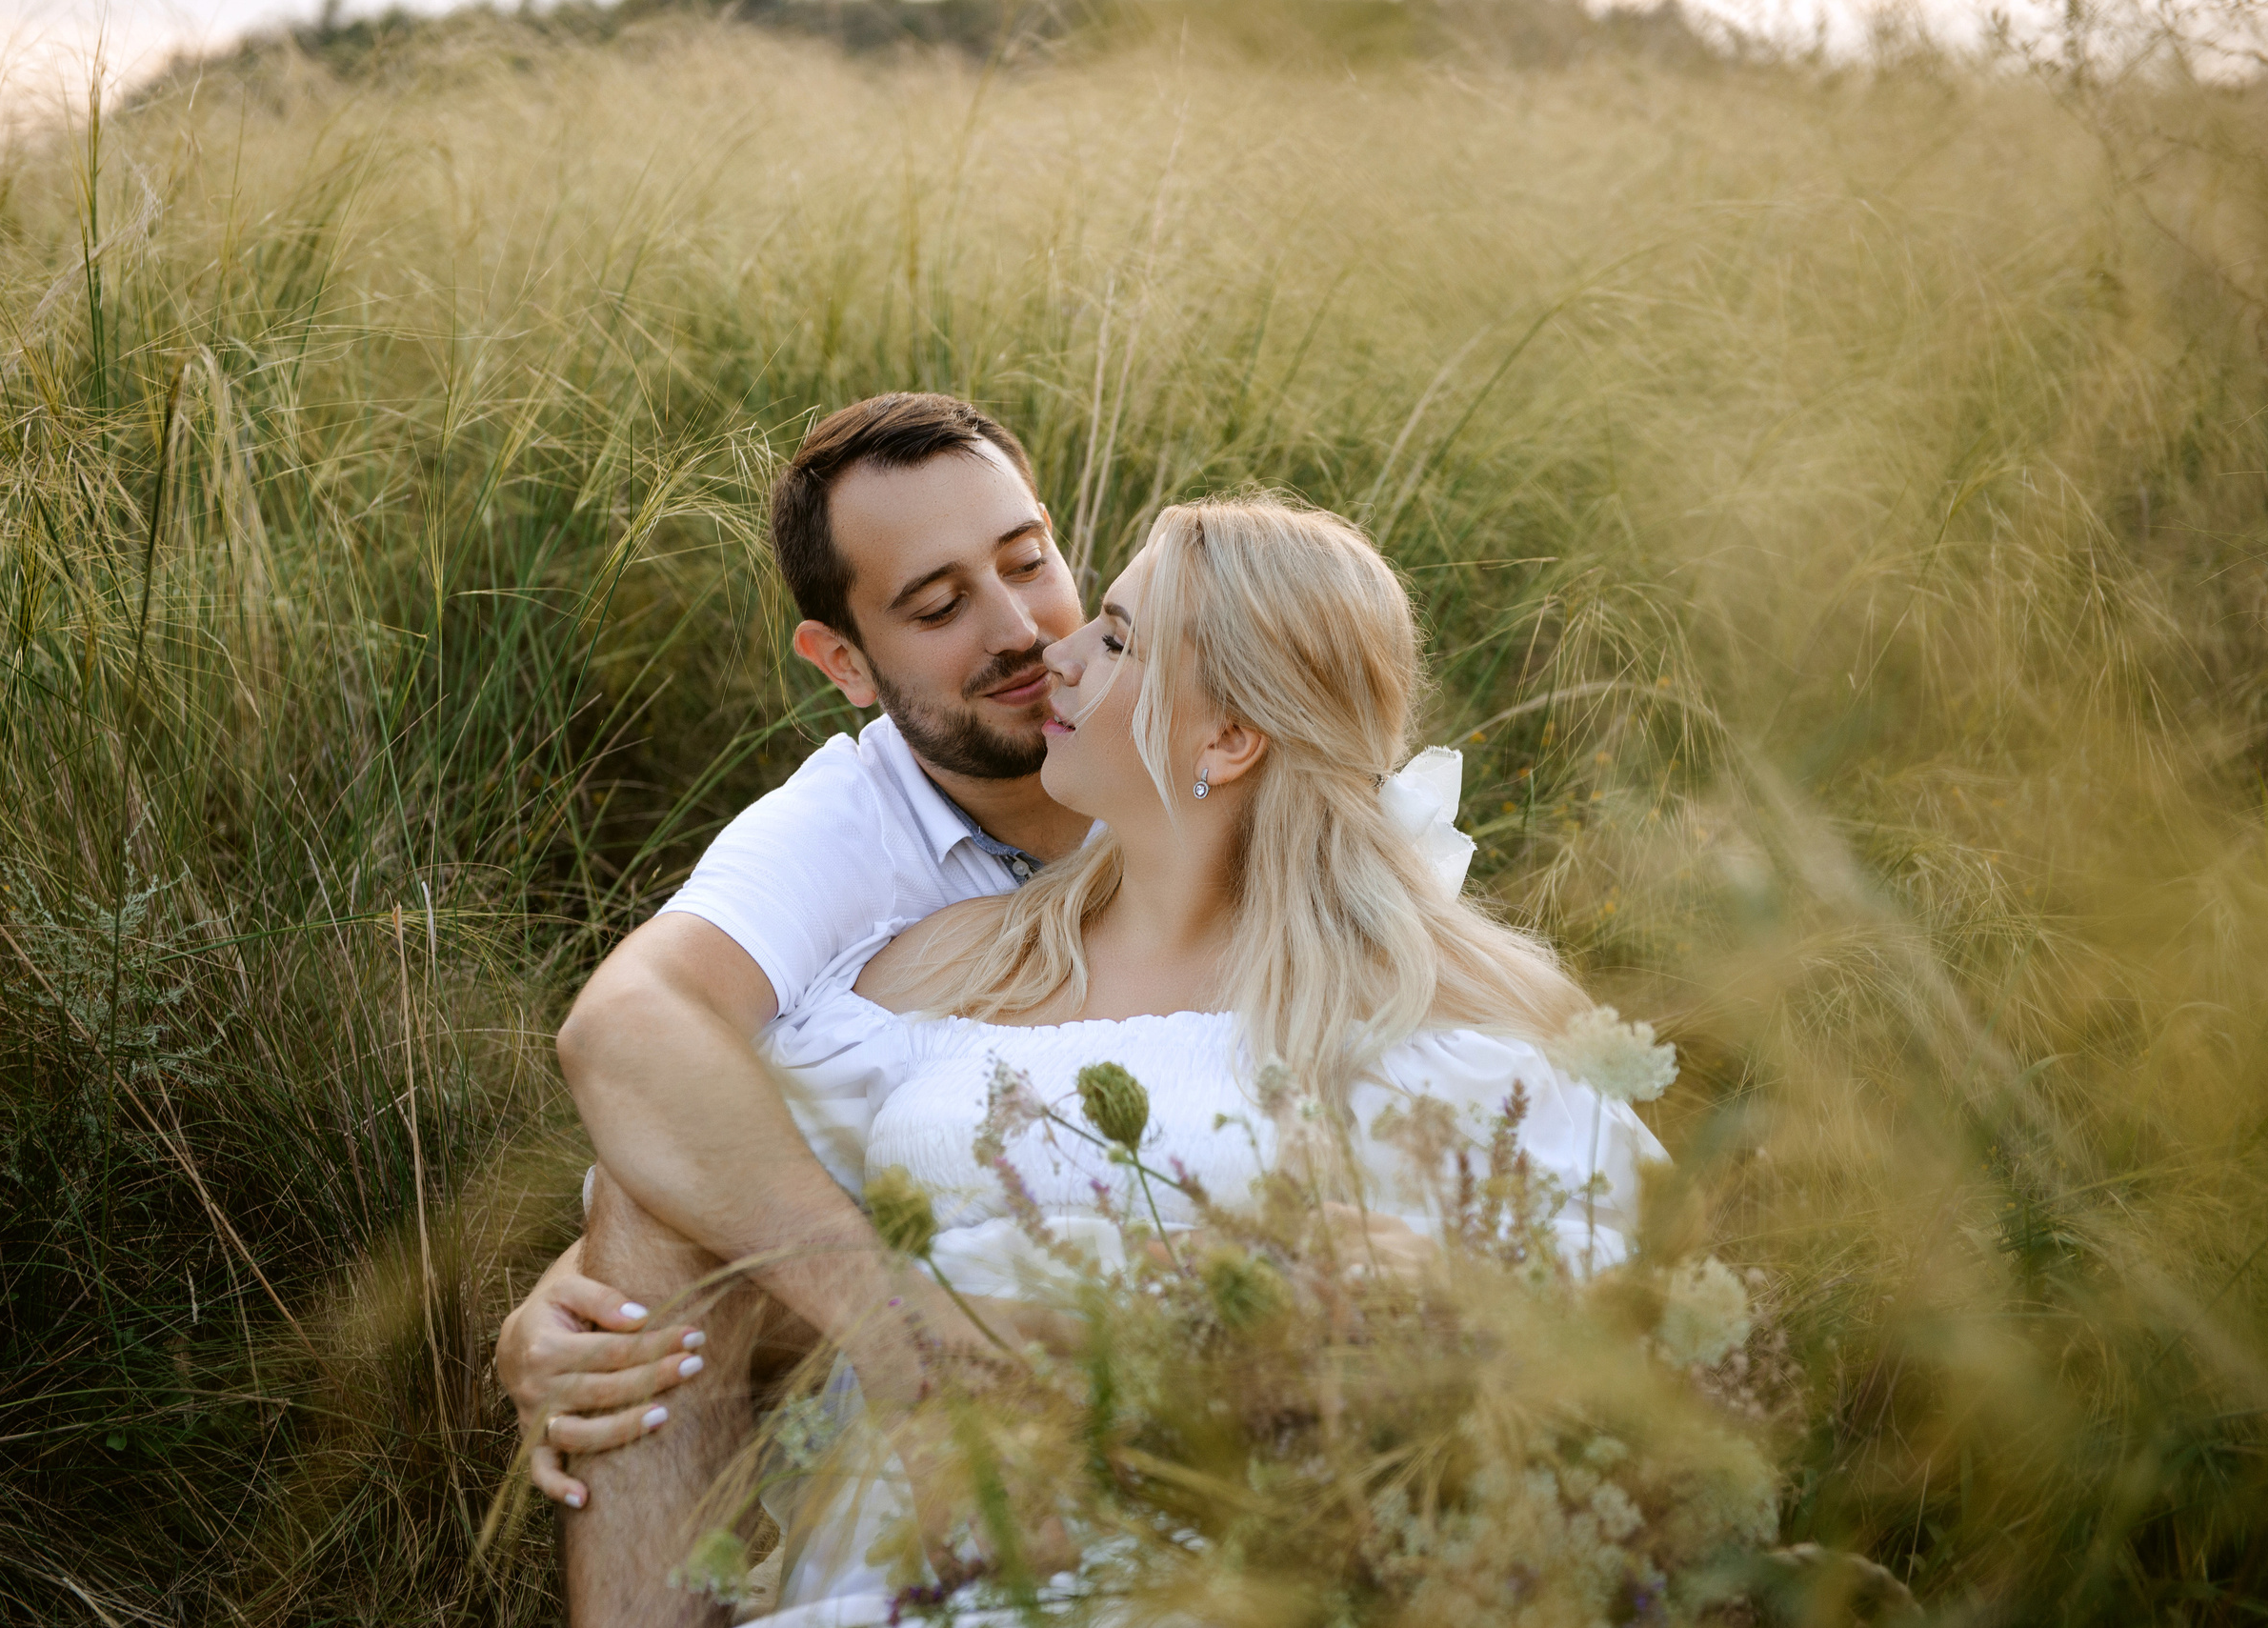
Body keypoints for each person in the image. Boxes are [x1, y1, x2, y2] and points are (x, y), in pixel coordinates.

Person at [735, 493, 1666, 1623]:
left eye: (1118, 638)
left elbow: (1627, 1339)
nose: (1056, 655)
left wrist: (1437, 1294)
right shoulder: (946, 966)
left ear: (1225, 737)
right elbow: (722, 1205)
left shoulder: (1448, 1011)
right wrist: (578, 1306)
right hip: (903, 1576)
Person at [498, 392, 1099, 1626]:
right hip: (945, 1244)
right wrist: (892, 1328)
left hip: (1167, 1198)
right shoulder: (845, 827)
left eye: (1029, 561)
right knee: (637, 1252)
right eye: (936, 608)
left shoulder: (1176, 712)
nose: (1020, 627)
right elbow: (623, 1025)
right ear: (844, 665)